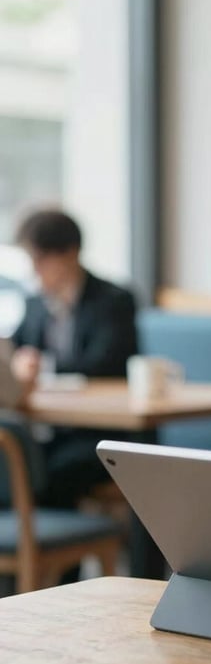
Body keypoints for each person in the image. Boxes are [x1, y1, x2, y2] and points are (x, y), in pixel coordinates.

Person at [10, 207, 138, 508]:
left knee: (49, 475)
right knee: (20, 467)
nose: (35, 270)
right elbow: (14, 354)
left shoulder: (113, 301)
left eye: (41, 259)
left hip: (102, 433)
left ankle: (54, 551)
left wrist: (40, 368)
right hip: (52, 429)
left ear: (70, 253)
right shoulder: (35, 305)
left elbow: (104, 365)